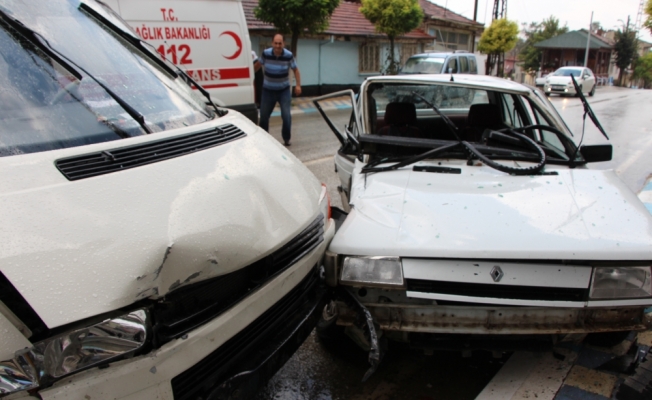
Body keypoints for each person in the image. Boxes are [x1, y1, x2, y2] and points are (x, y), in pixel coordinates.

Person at [255, 33, 301, 146]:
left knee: (286, 116)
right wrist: (249, 74)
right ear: (272, 43)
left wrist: (298, 85)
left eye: (280, 43)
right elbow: (258, 65)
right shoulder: (266, 54)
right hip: (268, 90)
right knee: (264, 116)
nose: (277, 45)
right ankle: (264, 137)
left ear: (283, 44)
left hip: (283, 90)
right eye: (275, 43)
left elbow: (295, 70)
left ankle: (286, 138)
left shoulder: (289, 55)